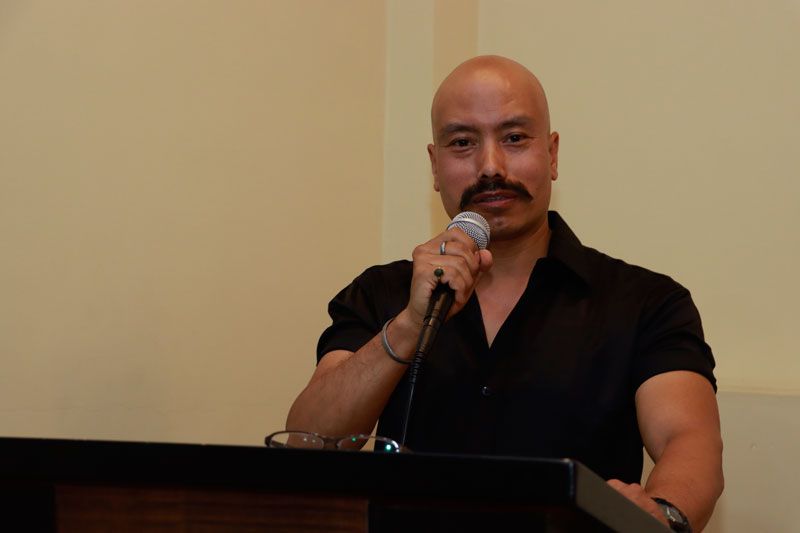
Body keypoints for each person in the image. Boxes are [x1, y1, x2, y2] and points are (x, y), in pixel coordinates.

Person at [286, 55, 723, 531]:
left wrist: (663, 515)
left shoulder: (646, 302)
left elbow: (688, 440)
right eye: (462, 143)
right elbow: (308, 442)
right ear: (434, 166)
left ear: (552, 155)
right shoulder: (380, 293)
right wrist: (409, 326)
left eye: (514, 138)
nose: (490, 166)